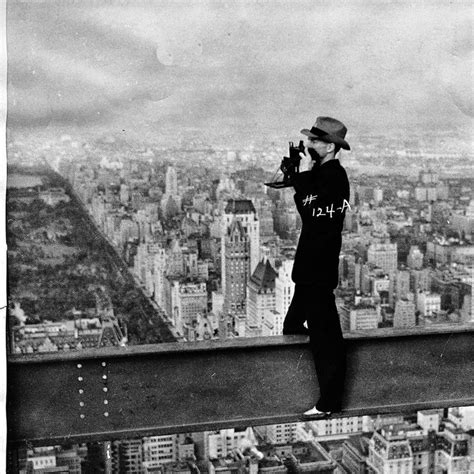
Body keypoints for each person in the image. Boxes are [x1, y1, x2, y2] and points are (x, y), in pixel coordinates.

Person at [282, 116, 351, 419]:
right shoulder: (324, 173)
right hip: (311, 268)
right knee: (293, 328)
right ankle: (324, 398)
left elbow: (312, 213)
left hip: (317, 270)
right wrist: (302, 175)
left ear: (330, 146)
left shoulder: (334, 177)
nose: (309, 145)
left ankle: (329, 403)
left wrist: (299, 178)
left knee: (326, 338)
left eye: (314, 141)